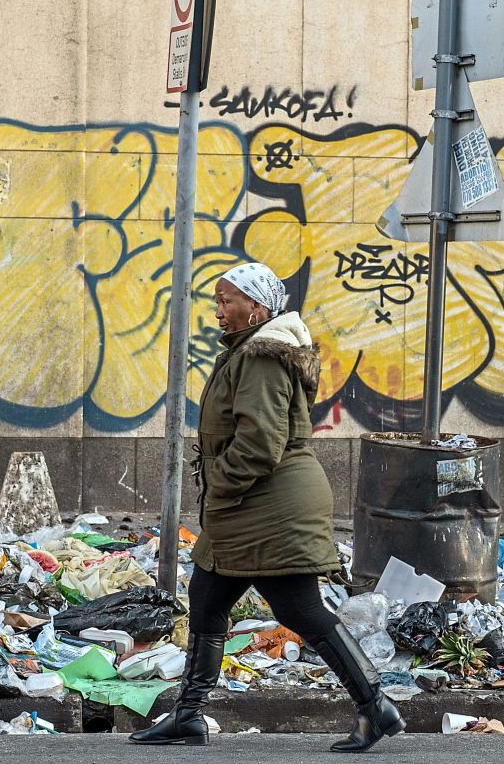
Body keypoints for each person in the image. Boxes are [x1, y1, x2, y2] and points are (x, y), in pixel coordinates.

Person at [130, 262, 404, 752]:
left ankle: (374, 705)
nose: (219, 311)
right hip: (256, 502)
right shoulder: (249, 352)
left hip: (272, 504)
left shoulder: (259, 357)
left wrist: (219, 483)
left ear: (256, 307)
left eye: (227, 300)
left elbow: (260, 442)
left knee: (298, 607)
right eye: (217, 301)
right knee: (208, 597)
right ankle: (188, 715)